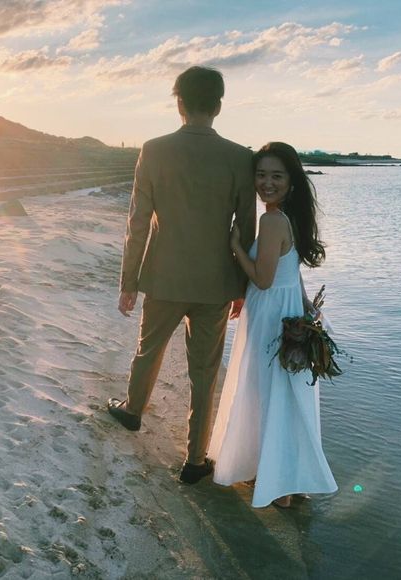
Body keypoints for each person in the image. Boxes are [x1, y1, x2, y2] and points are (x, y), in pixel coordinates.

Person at [107, 66, 256, 484]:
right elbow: (245, 229)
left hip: (163, 277)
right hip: (216, 282)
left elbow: (137, 222)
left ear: (179, 103)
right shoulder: (240, 157)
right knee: (205, 372)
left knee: (148, 349)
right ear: (219, 106)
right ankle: (195, 459)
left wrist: (128, 282)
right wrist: (242, 285)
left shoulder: (154, 150)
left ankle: (133, 411)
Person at [208, 142, 338, 507]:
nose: (267, 183)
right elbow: (289, 271)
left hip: (269, 314)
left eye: (276, 176)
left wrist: (235, 246)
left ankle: (276, 484)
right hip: (286, 308)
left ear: (291, 180)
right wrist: (305, 302)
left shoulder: (271, 220)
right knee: (284, 396)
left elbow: (263, 280)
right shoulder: (290, 217)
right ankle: (285, 478)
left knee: (264, 393)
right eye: (261, 175)